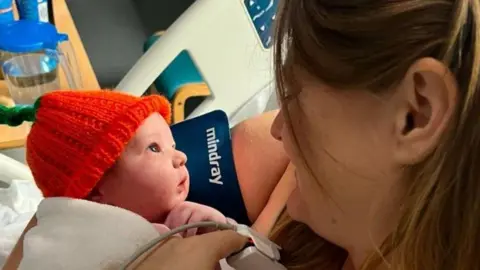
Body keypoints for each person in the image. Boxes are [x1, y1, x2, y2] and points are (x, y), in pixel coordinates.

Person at [9, 0, 480, 269]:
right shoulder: (294, 178)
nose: (279, 127)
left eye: (293, 99)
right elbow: (61, 212)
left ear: (416, 112)